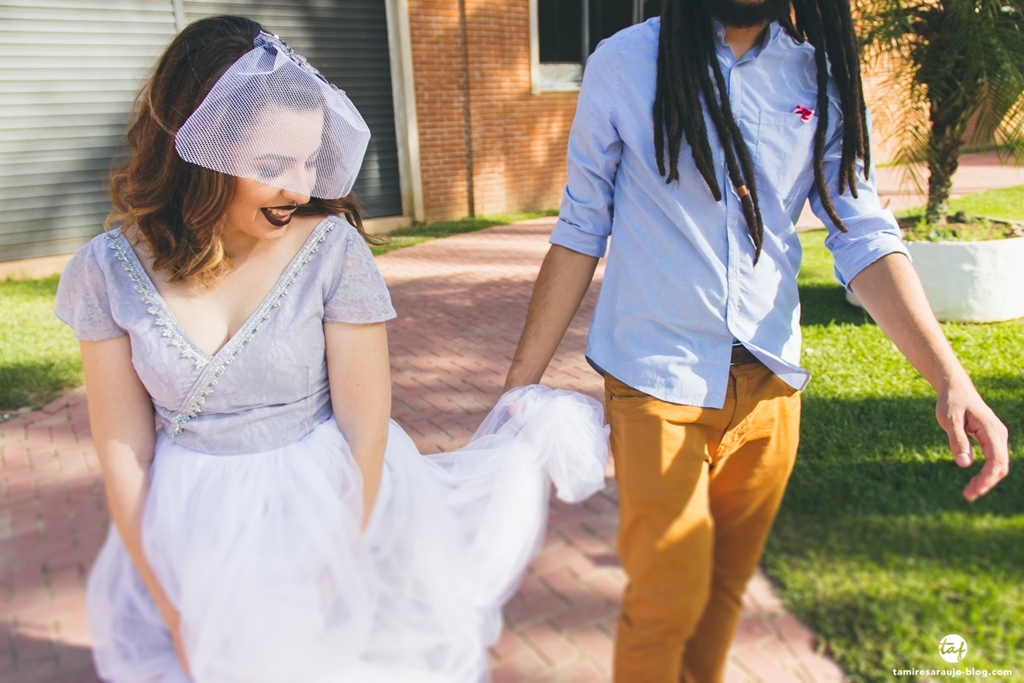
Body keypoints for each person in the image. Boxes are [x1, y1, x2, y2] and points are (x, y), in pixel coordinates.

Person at [55, 16, 609, 683]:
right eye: (270, 165)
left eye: (309, 159)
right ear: (196, 150)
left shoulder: (331, 252)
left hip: (323, 517)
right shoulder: (106, 270)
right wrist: (167, 596)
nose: (298, 186)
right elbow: (125, 451)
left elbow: (365, 433)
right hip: (191, 534)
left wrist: (334, 570)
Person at [502, 0, 1010, 681]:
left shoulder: (816, 76)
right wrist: (519, 385)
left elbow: (862, 231)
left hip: (770, 389)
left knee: (719, 598)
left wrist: (951, 375)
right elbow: (580, 228)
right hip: (656, 381)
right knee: (665, 598)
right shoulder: (624, 65)